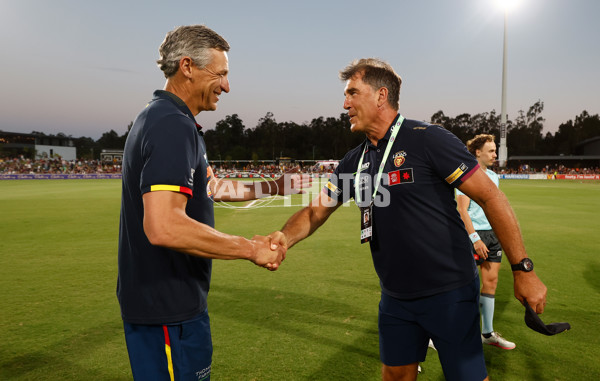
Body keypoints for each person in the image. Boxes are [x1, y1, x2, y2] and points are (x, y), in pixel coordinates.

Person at [269, 58, 547, 381]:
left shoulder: (427, 139)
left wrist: (522, 268)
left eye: (352, 93)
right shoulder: (354, 161)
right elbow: (315, 211)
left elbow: (491, 197)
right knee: (395, 377)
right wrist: (284, 238)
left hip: (449, 293)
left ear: (380, 96)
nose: (344, 104)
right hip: (396, 298)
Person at [117, 25, 306, 381]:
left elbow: (212, 188)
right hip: (167, 308)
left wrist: (273, 187)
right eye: (220, 74)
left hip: (169, 303)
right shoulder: (172, 124)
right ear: (187, 66)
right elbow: (163, 226)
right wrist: (250, 249)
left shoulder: (164, 118)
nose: (227, 85)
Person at [456, 134, 516, 350]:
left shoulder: (493, 176)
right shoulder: (466, 175)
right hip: (474, 237)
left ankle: (487, 333)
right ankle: (442, 332)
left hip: (492, 236)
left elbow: (494, 209)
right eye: (491, 151)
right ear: (477, 152)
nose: (495, 155)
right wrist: (475, 239)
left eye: (495, 151)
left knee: (491, 283)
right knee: (462, 288)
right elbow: (462, 210)